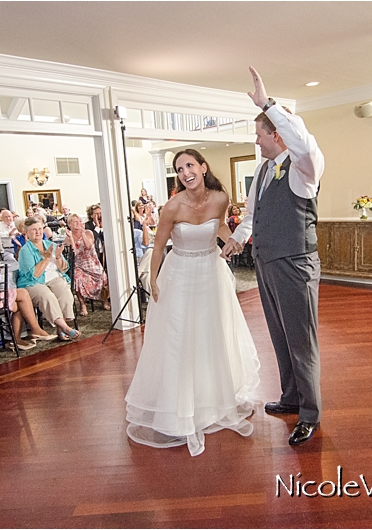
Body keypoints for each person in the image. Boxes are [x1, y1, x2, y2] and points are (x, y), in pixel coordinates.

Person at [124, 148, 260, 457]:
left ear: (202, 166)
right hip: (180, 275)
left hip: (211, 274)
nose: (185, 171)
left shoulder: (220, 199)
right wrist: (153, 279)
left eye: (189, 165)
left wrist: (233, 240)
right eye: (179, 168)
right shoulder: (172, 206)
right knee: (179, 339)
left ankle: (212, 400)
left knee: (211, 336)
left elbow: (219, 226)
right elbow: (158, 246)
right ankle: (178, 409)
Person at [222, 67, 326, 446]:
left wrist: (268, 104)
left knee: (302, 339)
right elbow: (252, 215)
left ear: (276, 134)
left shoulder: (304, 169)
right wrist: (236, 240)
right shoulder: (264, 171)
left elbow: (303, 143)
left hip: (296, 264)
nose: (257, 142)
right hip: (266, 262)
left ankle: (310, 413)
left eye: (259, 135)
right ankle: (291, 397)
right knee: (280, 335)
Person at [17, 217, 80, 341]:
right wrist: (46, 258)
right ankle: (65, 327)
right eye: (34, 229)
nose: (38, 232)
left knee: (65, 292)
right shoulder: (25, 251)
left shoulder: (50, 245)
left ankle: (60, 329)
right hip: (33, 282)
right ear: (26, 232)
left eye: (40, 229)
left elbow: (63, 269)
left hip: (53, 278)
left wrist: (57, 258)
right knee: (48, 296)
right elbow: (34, 275)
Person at [64, 213, 109, 313]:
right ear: (69, 224)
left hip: (92, 261)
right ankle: (82, 304)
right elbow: (74, 253)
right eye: (75, 222)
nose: (78, 223)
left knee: (102, 276)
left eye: (79, 221)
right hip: (79, 264)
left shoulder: (88, 232)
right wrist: (71, 237)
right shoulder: (67, 238)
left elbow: (88, 246)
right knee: (77, 277)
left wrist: (83, 232)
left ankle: (104, 300)